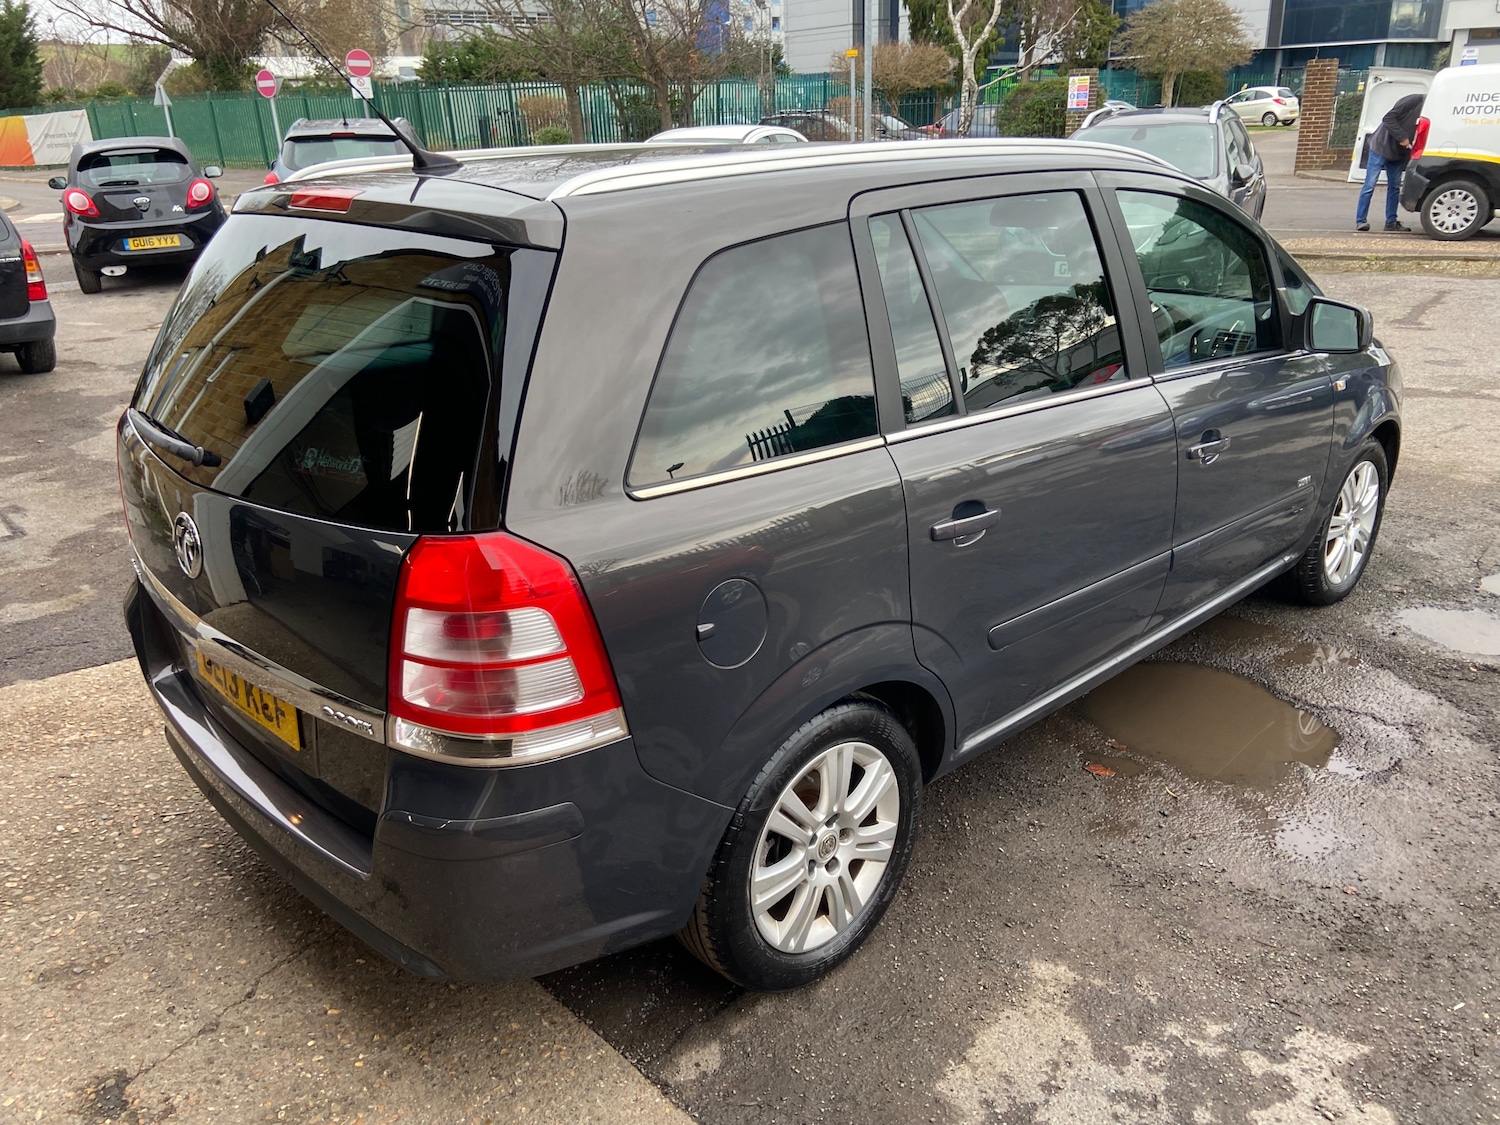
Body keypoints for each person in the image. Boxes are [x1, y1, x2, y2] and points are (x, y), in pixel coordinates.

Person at [1356, 92, 1425, 232]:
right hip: (1381, 146)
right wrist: (1403, 138)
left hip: (1399, 153)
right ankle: (1360, 220)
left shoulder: (1433, 111)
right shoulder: (1414, 100)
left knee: (1394, 187)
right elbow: (1388, 118)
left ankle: (1391, 222)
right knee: (1370, 185)